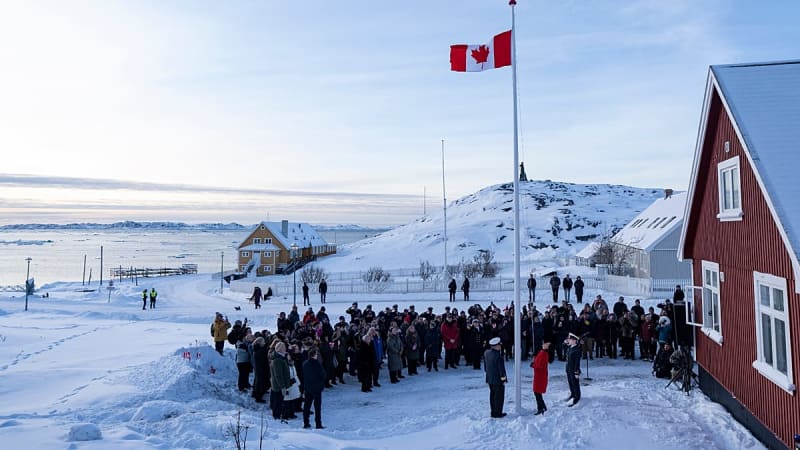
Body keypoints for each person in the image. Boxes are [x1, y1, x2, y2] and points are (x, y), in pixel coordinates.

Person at [302, 348, 326, 429]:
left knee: (307, 406)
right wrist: (321, 385)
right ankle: (318, 424)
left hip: (308, 388)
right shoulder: (317, 364)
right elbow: (323, 375)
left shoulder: (305, 364)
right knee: (317, 407)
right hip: (317, 389)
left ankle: (306, 422)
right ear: (314, 355)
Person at [484, 337, 507, 418]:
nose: (500, 346)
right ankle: (498, 413)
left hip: (490, 379)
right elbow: (501, 370)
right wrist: (503, 379)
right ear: (495, 346)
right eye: (499, 345)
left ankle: (493, 412)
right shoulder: (498, 356)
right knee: (499, 397)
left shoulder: (486, 353)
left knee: (492, 396)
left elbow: (485, 367)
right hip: (498, 380)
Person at [270, 341, 293, 422]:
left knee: (280, 400)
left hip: (281, 384)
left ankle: (278, 414)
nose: (285, 349)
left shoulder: (282, 357)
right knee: (278, 401)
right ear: (279, 349)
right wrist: (282, 386)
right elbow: (278, 375)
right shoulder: (277, 360)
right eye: (283, 348)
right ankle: (276, 415)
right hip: (278, 386)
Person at [531, 341, 551, 415]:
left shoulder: (543, 353)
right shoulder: (543, 352)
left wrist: (533, 365)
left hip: (540, 376)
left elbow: (539, 365)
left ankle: (540, 408)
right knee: (537, 392)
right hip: (540, 375)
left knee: (537, 392)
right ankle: (542, 406)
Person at [565, 333, 581, 407]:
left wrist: (576, 372)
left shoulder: (576, 350)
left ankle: (576, 398)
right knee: (570, 383)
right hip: (568, 369)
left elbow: (577, 363)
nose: (568, 340)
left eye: (570, 339)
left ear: (574, 341)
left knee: (575, 384)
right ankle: (572, 394)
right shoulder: (570, 348)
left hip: (574, 370)